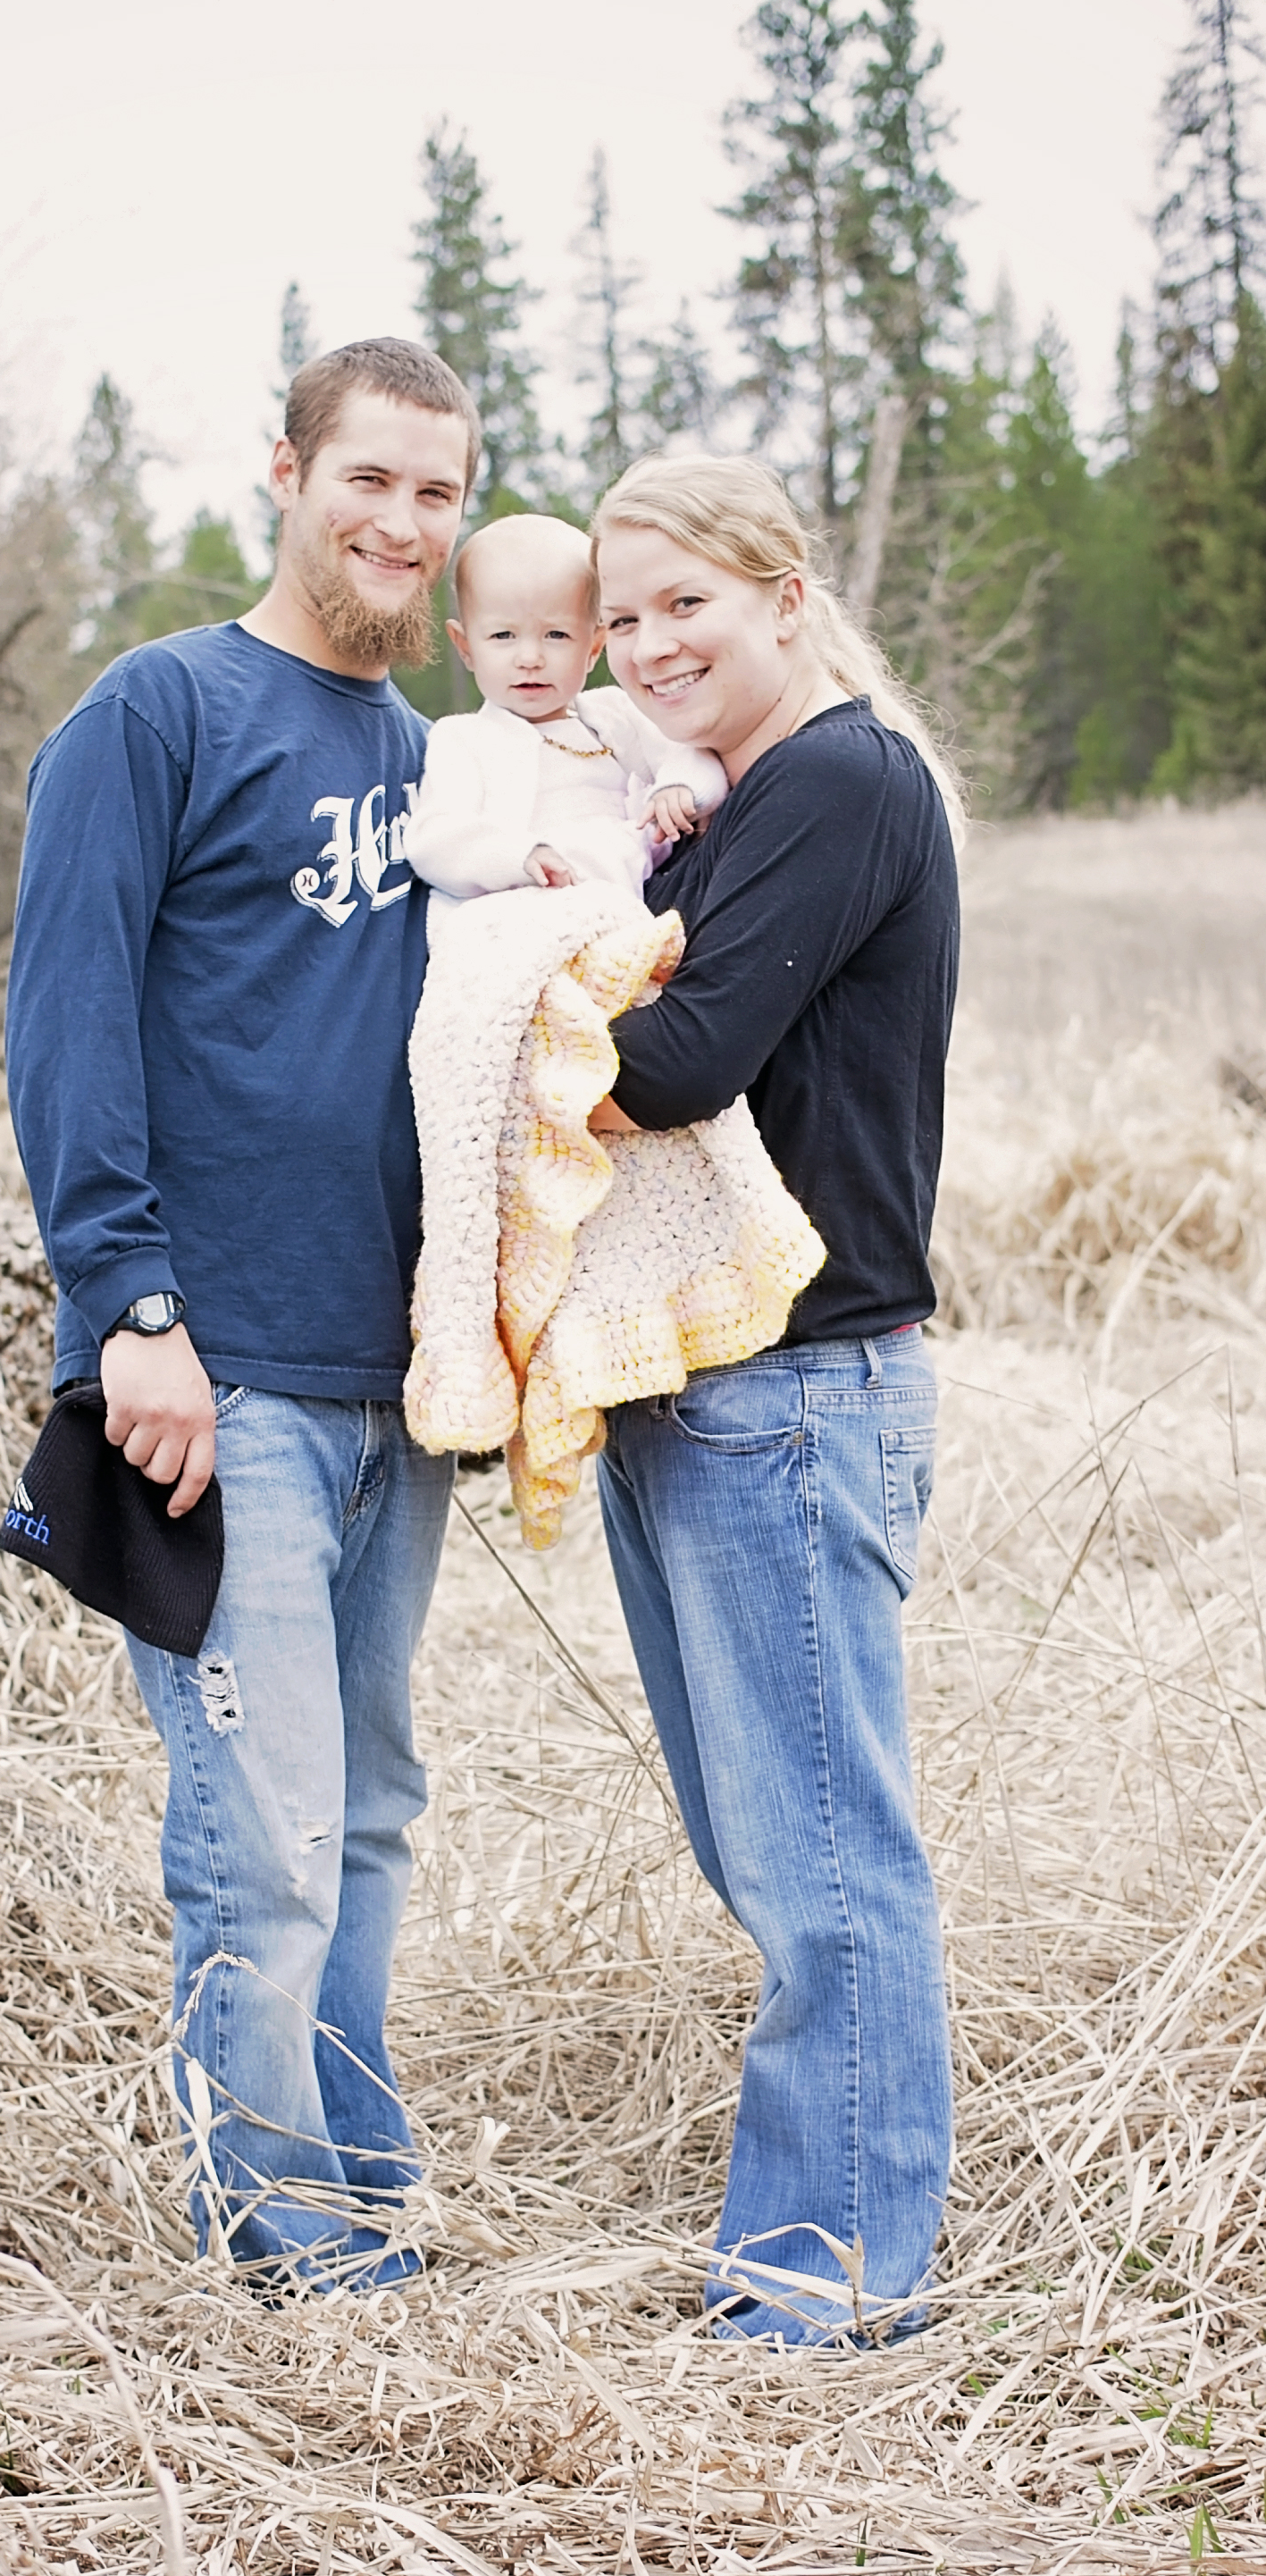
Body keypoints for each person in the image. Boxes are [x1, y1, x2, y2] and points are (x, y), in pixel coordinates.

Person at [4, 339, 481, 2290]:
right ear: (284, 473)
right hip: (214, 1377)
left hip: (393, 1383)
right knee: (260, 1829)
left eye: (436, 492)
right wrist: (127, 1304)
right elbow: (63, 1020)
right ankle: (281, 2240)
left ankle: (355, 2178)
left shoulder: (440, 764)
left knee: (362, 1812)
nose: (400, 523)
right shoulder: (161, 711)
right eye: (367, 477)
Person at [585, 453, 963, 2346]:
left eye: (686, 603)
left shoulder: (835, 778)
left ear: (786, 595)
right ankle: (816, 2239)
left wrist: (493, 994)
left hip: (796, 1388)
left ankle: (831, 2277)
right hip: (705, 1390)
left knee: (821, 1858)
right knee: (771, 1850)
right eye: (620, 616)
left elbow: (674, 1060)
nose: (648, 644)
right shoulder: (727, 806)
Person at [404, 513, 726, 903]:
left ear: (593, 646)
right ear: (466, 647)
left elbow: (691, 754)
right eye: (503, 635)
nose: (530, 658)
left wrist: (681, 788)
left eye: (556, 634)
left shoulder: (616, 717)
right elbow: (435, 838)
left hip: (625, 909)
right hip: (516, 911)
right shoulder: (464, 739)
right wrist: (518, 857)